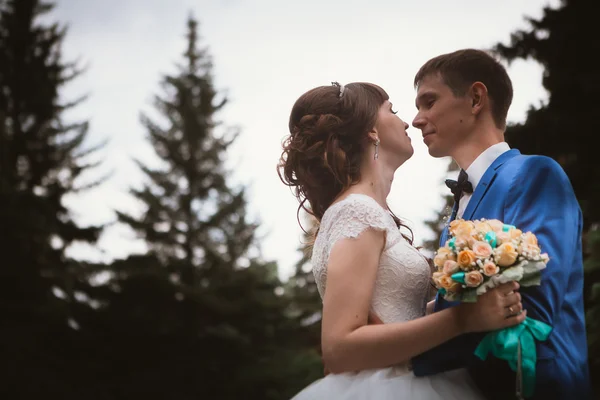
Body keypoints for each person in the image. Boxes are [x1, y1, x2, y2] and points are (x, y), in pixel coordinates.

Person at [277, 81, 525, 399]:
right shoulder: (357, 210)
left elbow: (394, 313)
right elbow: (339, 348)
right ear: (372, 131)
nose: (407, 121)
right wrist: (463, 319)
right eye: (391, 110)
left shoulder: (367, 211)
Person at [409, 49, 592, 399]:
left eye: (428, 102)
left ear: (476, 98)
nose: (418, 119)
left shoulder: (535, 174)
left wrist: (404, 354)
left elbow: (531, 310)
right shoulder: (457, 208)